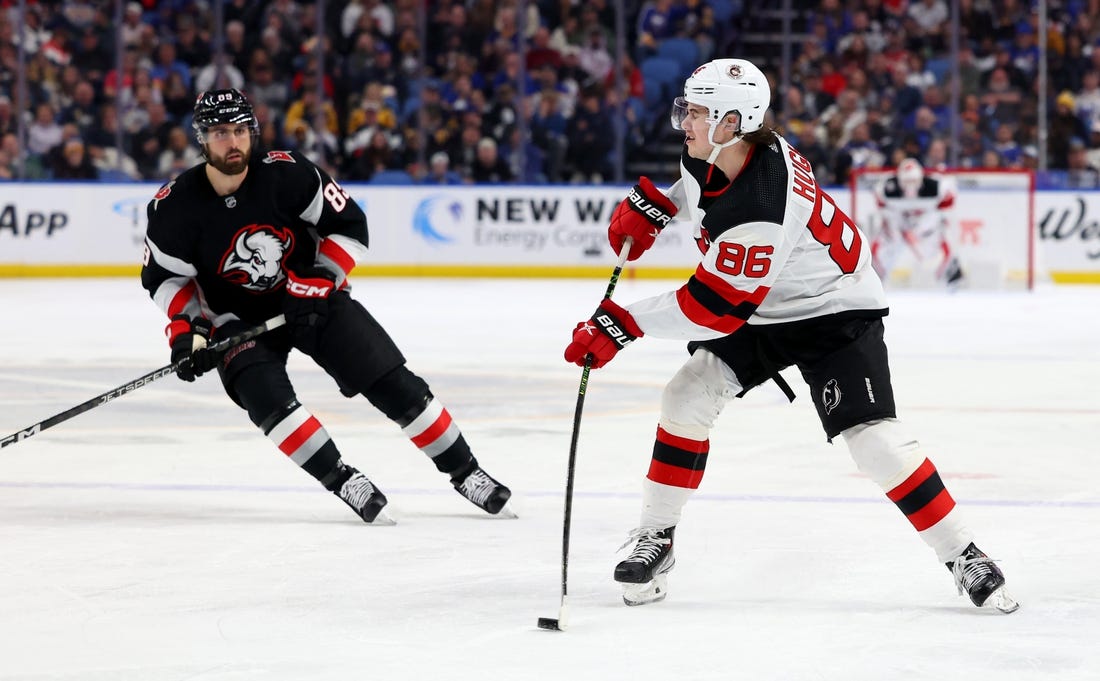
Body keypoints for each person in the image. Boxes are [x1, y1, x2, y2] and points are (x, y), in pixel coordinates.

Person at [563, 59, 1017, 612]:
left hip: (832, 309)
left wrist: (619, 324)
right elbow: (700, 189)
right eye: (688, 108)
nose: (684, 121)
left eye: (698, 112)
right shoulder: (718, 148)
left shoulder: (763, 205)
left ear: (733, 122)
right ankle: (657, 536)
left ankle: (963, 553)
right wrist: (662, 206)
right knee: (685, 396)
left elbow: (711, 308)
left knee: (873, 441)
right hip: (765, 300)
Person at [141, 89, 513, 524]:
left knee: (391, 380)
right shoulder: (174, 207)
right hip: (236, 321)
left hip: (310, 299)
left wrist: (320, 278)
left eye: (240, 130)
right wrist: (187, 331)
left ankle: (466, 471)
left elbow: (350, 226)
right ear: (202, 138)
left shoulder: (288, 173)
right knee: (267, 401)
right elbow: (167, 279)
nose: (233, 142)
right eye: (221, 132)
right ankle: (343, 479)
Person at [870, 157, 964, 287]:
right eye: (907, 181)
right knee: (882, 244)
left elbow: (946, 206)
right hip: (899, 222)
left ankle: (951, 273)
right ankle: (875, 277)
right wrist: (898, 227)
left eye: (913, 181)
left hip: (926, 225)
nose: (910, 185)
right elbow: (883, 209)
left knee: (945, 235)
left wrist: (922, 226)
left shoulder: (935, 187)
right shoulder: (887, 188)